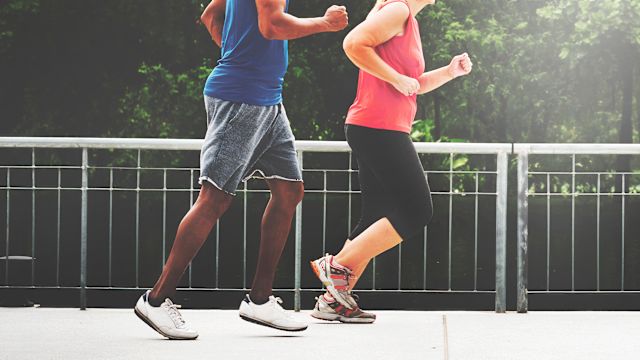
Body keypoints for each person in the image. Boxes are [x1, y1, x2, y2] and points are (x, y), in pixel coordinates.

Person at [134, 0, 348, 339]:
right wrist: (325, 23)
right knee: (214, 198)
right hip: (241, 99)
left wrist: (239, 52)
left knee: (289, 190)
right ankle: (156, 299)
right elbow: (272, 26)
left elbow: (210, 15)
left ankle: (259, 300)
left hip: (268, 101)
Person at [310, 0, 472, 323]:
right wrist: (397, 78)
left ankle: (333, 301)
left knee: (374, 216)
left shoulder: (407, 20)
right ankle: (336, 264)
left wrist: (449, 72)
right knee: (417, 210)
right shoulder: (397, 10)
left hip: (377, 126)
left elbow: (412, 85)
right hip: (378, 127)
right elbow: (353, 44)